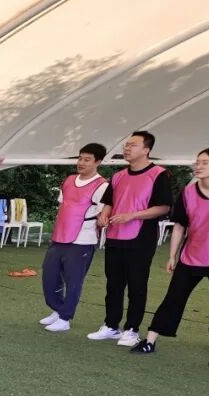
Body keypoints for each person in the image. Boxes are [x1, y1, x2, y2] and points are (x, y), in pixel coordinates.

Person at [131, 147, 209, 356]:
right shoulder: (189, 192)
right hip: (191, 256)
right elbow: (180, 225)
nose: (198, 166)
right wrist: (173, 255)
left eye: (205, 163)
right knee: (174, 297)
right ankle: (150, 341)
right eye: (197, 162)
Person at [87, 131, 172, 346]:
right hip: (115, 237)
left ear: (146, 150)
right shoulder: (118, 176)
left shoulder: (159, 174)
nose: (126, 148)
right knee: (113, 284)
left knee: (137, 285)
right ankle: (111, 325)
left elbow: (163, 207)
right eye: (126, 145)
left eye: (132, 145)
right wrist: (103, 215)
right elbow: (109, 202)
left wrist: (132, 216)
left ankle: (132, 329)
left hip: (141, 239)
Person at [38, 143, 109, 332]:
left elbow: (104, 212)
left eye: (87, 160)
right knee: (50, 277)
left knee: (73, 281)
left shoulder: (102, 186)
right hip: (59, 237)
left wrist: (103, 220)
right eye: (80, 158)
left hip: (82, 241)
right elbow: (62, 206)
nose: (81, 163)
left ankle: (65, 318)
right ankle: (57, 309)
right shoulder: (69, 180)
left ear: (98, 162)